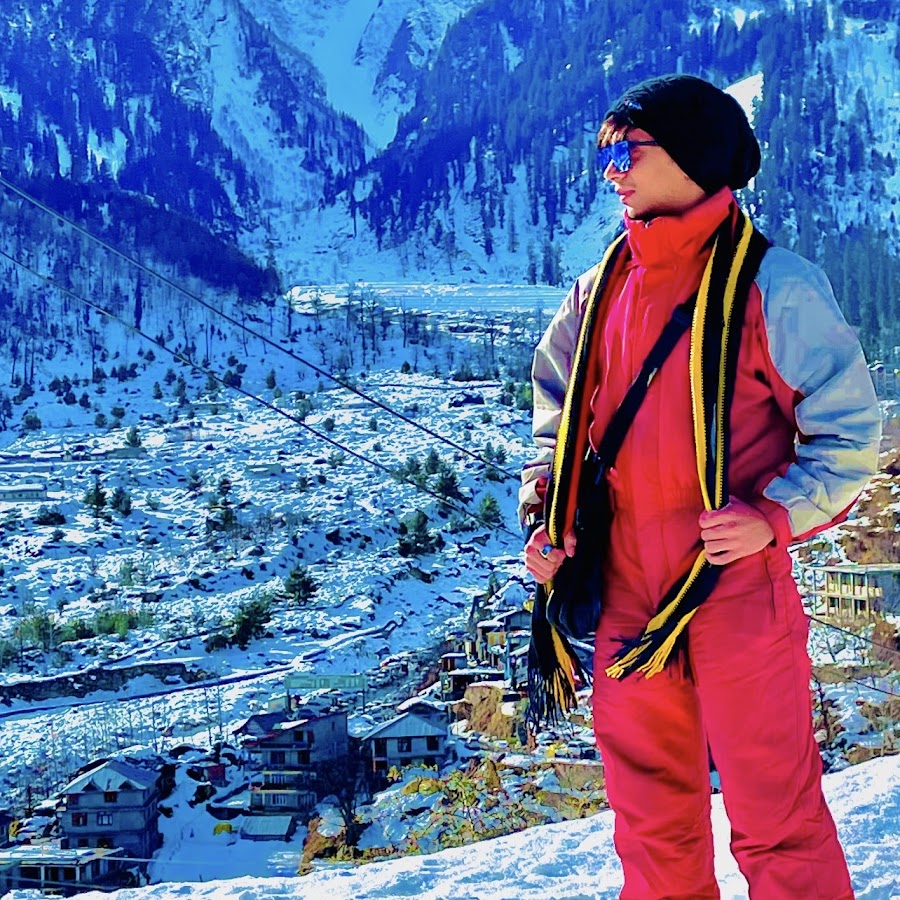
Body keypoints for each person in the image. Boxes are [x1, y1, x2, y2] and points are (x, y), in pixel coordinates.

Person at [520, 74, 881, 900]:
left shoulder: (775, 286)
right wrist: (548, 513)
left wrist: (772, 517)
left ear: (690, 157)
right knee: (651, 832)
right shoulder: (599, 290)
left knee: (778, 822)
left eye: (626, 151)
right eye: (606, 154)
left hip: (736, 593)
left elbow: (850, 436)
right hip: (625, 601)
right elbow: (557, 420)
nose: (610, 171)